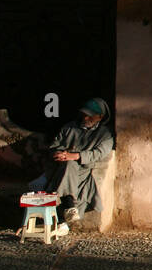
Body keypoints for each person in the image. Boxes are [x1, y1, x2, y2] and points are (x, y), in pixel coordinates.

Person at [26, 98, 114, 229]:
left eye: (90, 115)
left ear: (100, 117)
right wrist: (58, 153)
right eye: (84, 114)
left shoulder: (104, 135)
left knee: (71, 163)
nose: (86, 117)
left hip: (82, 174)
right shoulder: (69, 128)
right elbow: (54, 146)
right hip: (59, 171)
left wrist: (75, 156)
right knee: (68, 164)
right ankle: (70, 206)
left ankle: (67, 204)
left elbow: (99, 153)